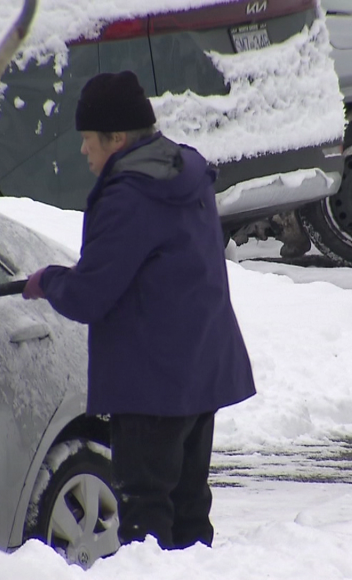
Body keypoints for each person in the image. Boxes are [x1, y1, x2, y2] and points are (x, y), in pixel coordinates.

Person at [21, 70, 256, 551]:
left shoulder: (129, 194)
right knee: (190, 509)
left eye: (89, 140)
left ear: (118, 138)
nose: (84, 151)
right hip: (201, 367)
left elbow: (90, 295)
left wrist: (48, 281)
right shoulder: (185, 171)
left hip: (151, 383)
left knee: (145, 517)